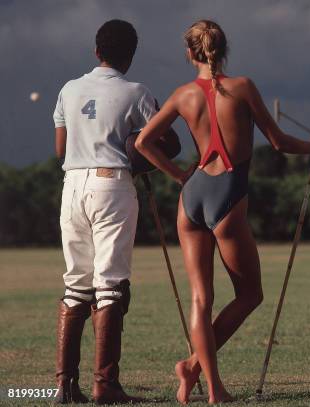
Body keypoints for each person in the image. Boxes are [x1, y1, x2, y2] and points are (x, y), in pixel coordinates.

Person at [135, 20, 310, 404]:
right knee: (250, 293)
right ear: (223, 50)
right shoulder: (242, 87)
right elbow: (278, 142)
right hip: (228, 193)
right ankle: (199, 375)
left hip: (191, 197)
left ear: (190, 54)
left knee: (200, 299)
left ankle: (203, 377)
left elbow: (143, 142)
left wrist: (178, 175)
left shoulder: (181, 95)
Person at [53, 20, 156, 403]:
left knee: (75, 284)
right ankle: (106, 385)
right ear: (130, 55)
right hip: (112, 184)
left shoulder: (68, 89)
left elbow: (60, 149)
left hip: (72, 184)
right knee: (110, 285)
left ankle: (65, 386)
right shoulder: (138, 92)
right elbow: (159, 142)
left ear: (96, 51)